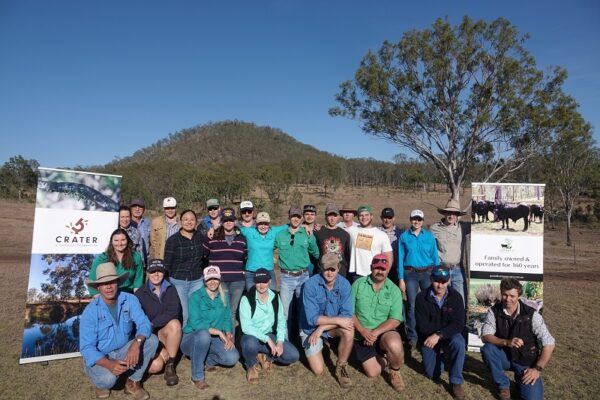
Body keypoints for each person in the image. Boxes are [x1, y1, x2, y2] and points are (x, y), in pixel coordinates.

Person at [80, 262, 159, 400]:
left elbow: (144, 323)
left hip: (124, 348)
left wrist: (137, 343)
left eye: (112, 282)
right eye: (104, 283)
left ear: (118, 282)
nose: (109, 287)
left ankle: (133, 382)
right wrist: (109, 364)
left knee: (151, 340)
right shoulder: (90, 312)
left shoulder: (130, 299)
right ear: (98, 287)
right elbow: (87, 348)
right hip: (102, 355)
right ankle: (99, 382)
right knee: (108, 380)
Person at [481, 278, 555, 400]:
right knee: (487, 349)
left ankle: (521, 381)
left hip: (526, 361)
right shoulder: (493, 311)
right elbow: (485, 335)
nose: (507, 299)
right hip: (505, 356)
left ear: (519, 296)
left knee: (532, 398)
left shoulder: (532, 314)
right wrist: (506, 342)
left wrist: (537, 369)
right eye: (504, 294)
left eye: (512, 296)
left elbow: (549, 343)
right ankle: (503, 386)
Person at [351, 254, 405, 392]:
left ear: (388, 270)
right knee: (373, 373)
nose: (380, 271)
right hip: (362, 334)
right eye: (377, 268)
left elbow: (395, 319)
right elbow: (349, 312)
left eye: (383, 268)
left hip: (383, 333)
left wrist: (375, 333)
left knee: (395, 344)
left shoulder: (394, 290)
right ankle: (389, 358)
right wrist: (363, 331)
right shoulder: (358, 284)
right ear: (371, 268)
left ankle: (395, 370)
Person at [180, 266, 239, 390]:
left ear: (219, 280)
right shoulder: (196, 297)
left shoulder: (223, 296)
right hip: (193, 338)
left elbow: (227, 317)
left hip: (214, 338)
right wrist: (219, 332)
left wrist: (228, 333)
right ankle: (197, 377)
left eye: (215, 279)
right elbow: (196, 324)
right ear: (204, 281)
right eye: (209, 279)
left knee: (232, 358)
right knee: (203, 335)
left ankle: (207, 360)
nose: (212, 282)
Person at [300, 253, 354, 388]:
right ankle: (320, 345)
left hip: (325, 327)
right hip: (310, 328)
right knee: (318, 371)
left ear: (338, 268)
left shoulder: (345, 284)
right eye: (326, 269)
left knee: (349, 330)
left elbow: (346, 316)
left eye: (333, 269)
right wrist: (333, 321)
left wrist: (322, 328)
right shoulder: (309, 285)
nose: (329, 273)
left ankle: (341, 367)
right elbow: (312, 319)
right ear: (320, 267)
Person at [239, 268, 299, 384]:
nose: (261, 285)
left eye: (264, 281)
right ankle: (251, 366)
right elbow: (246, 327)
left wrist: (280, 341)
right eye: (258, 282)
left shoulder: (275, 297)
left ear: (270, 281)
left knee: (293, 355)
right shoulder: (246, 299)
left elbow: (281, 321)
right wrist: (268, 340)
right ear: (254, 282)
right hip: (253, 336)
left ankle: (266, 356)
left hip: (270, 335)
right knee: (249, 343)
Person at [415, 266, 466, 400]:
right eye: (437, 280)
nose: (440, 285)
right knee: (432, 374)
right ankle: (448, 358)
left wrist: (439, 334)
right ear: (431, 279)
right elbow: (422, 326)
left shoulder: (456, 297)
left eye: (444, 281)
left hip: (445, 336)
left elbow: (459, 324)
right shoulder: (421, 298)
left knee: (459, 341)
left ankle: (456, 382)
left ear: (449, 281)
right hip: (428, 338)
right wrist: (443, 329)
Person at [134, 259, 182, 387]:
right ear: (147, 273)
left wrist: (152, 323)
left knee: (175, 324)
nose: (156, 274)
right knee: (156, 366)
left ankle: (170, 366)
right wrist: (158, 348)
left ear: (164, 272)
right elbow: (139, 322)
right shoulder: (140, 294)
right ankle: (160, 354)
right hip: (149, 335)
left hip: (164, 330)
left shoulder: (171, 289)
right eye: (152, 271)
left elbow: (174, 312)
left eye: (159, 271)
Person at [398, 209, 440, 347]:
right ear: (410, 220)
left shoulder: (429, 237)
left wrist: (437, 276)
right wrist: (401, 279)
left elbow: (435, 258)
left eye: (419, 219)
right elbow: (400, 258)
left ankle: (428, 334)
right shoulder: (404, 237)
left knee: (429, 303)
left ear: (423, 221)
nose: (417, 222)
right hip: (410, 274)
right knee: (412, 305)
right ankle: (412, 337)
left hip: (427, 273)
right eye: (414, 219)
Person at [274, 205, 320, 327]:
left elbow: (316, 253)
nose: (295, 219)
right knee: (284, 313)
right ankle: (284, 342)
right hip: (286, 278)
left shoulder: (307, 233)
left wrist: (311, 237)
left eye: (298, 216)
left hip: (303, 277)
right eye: (293, 216)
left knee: (304, 310)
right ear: (289, 217)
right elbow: (268, 250)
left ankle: (303, 341)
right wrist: (273, 260)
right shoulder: (280, 235)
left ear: (301, 218)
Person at [203, 207, 248, 332]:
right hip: (219, 282)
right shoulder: (213, 237)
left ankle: (230, 344)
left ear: (235, 221)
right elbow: (204, 254)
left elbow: (245, 257)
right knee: (220, 311)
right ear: (221, 222)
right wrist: (209, 234)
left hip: (237, 281)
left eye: (231, 220)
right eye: (225, 220)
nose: (228, 223)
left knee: (232, 312)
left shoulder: (242, 239)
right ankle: (219, 342)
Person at [163, 209, 207, 327]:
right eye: (186, 219)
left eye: (192, 219)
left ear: (196, 222)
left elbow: (206, 257)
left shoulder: (201, 237)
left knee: (196, 312)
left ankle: (195, 339)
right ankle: (181, 340)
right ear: (180, 221)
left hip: (197, 280)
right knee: (184, 313)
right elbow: (167, 264)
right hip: (178, 281)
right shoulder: (172, 240)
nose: (189, 222)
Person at [429, 199, 471, 305]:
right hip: (441, 270)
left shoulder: (463, 227)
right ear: (444, 213)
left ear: (457, 215)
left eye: (454, 213)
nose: (451, 216)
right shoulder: (434, 228)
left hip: (457, 270)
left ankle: (460, 321)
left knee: (460, 300)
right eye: (449, 212)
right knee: (440, 300)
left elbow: (480, 225)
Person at [239, 211, 287, 291]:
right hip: (251, 272)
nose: (263, 226)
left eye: (266, 224)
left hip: (268, 270)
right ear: (256, 224)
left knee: (273, 294)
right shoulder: (249, 232)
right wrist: (213, 229)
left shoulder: (273, 231)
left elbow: (288, 226)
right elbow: (233, 228)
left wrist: (304, 226)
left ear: (269, 224)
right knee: (252, 297)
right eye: (260, 224)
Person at [88, 228, 144, 295]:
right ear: (111, 242)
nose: (120, 243)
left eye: (123, 240)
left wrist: (135, 299)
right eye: (116, 240)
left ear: (128, 240)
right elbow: (92, 278)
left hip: (129, 294)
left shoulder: (136, 256)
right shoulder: (103, 258)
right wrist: (98, 298)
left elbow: (138, 281)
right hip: (108, 295)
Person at [347, 205, 393, 282]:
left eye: (366, 215)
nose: (364, 218)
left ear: (371, 216)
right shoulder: (351, 230)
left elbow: (388, 255)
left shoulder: (381, 235)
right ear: (358, 217)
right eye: (361, 215)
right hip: (356, 275)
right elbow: (335, 230)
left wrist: (385, 272)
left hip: (375, 273)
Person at [314, 203, 351, 277]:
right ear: (325, 216)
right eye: (330, 215)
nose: (332, 218)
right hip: (323, 272)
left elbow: (347, 256)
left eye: (335, 215)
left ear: (338, 217)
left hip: (340, 273)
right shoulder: (318, 232)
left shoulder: (345, 234)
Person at [378, 207, 402, 285]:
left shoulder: (400, 234)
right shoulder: (376, 232)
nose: (387, 220)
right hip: (379, 267)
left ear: (394, 218)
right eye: (385, 217)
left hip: (395, 268)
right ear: (381, 218)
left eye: (389, 217)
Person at [129, 198, 150, 264]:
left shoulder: (148, 223)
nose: (137, 209)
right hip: (129, 260)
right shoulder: (126, 222)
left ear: (144, 209)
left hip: (144, 260)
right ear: (131, 209)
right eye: (134, 206)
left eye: (140, 207)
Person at [302, 204, 319, 275]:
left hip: (318, 263)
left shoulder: (319, 230)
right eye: (307, 214)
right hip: (304, 264)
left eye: (312, 214)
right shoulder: (298, 230)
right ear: (303, 215)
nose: (309, 217)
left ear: (315, 216)